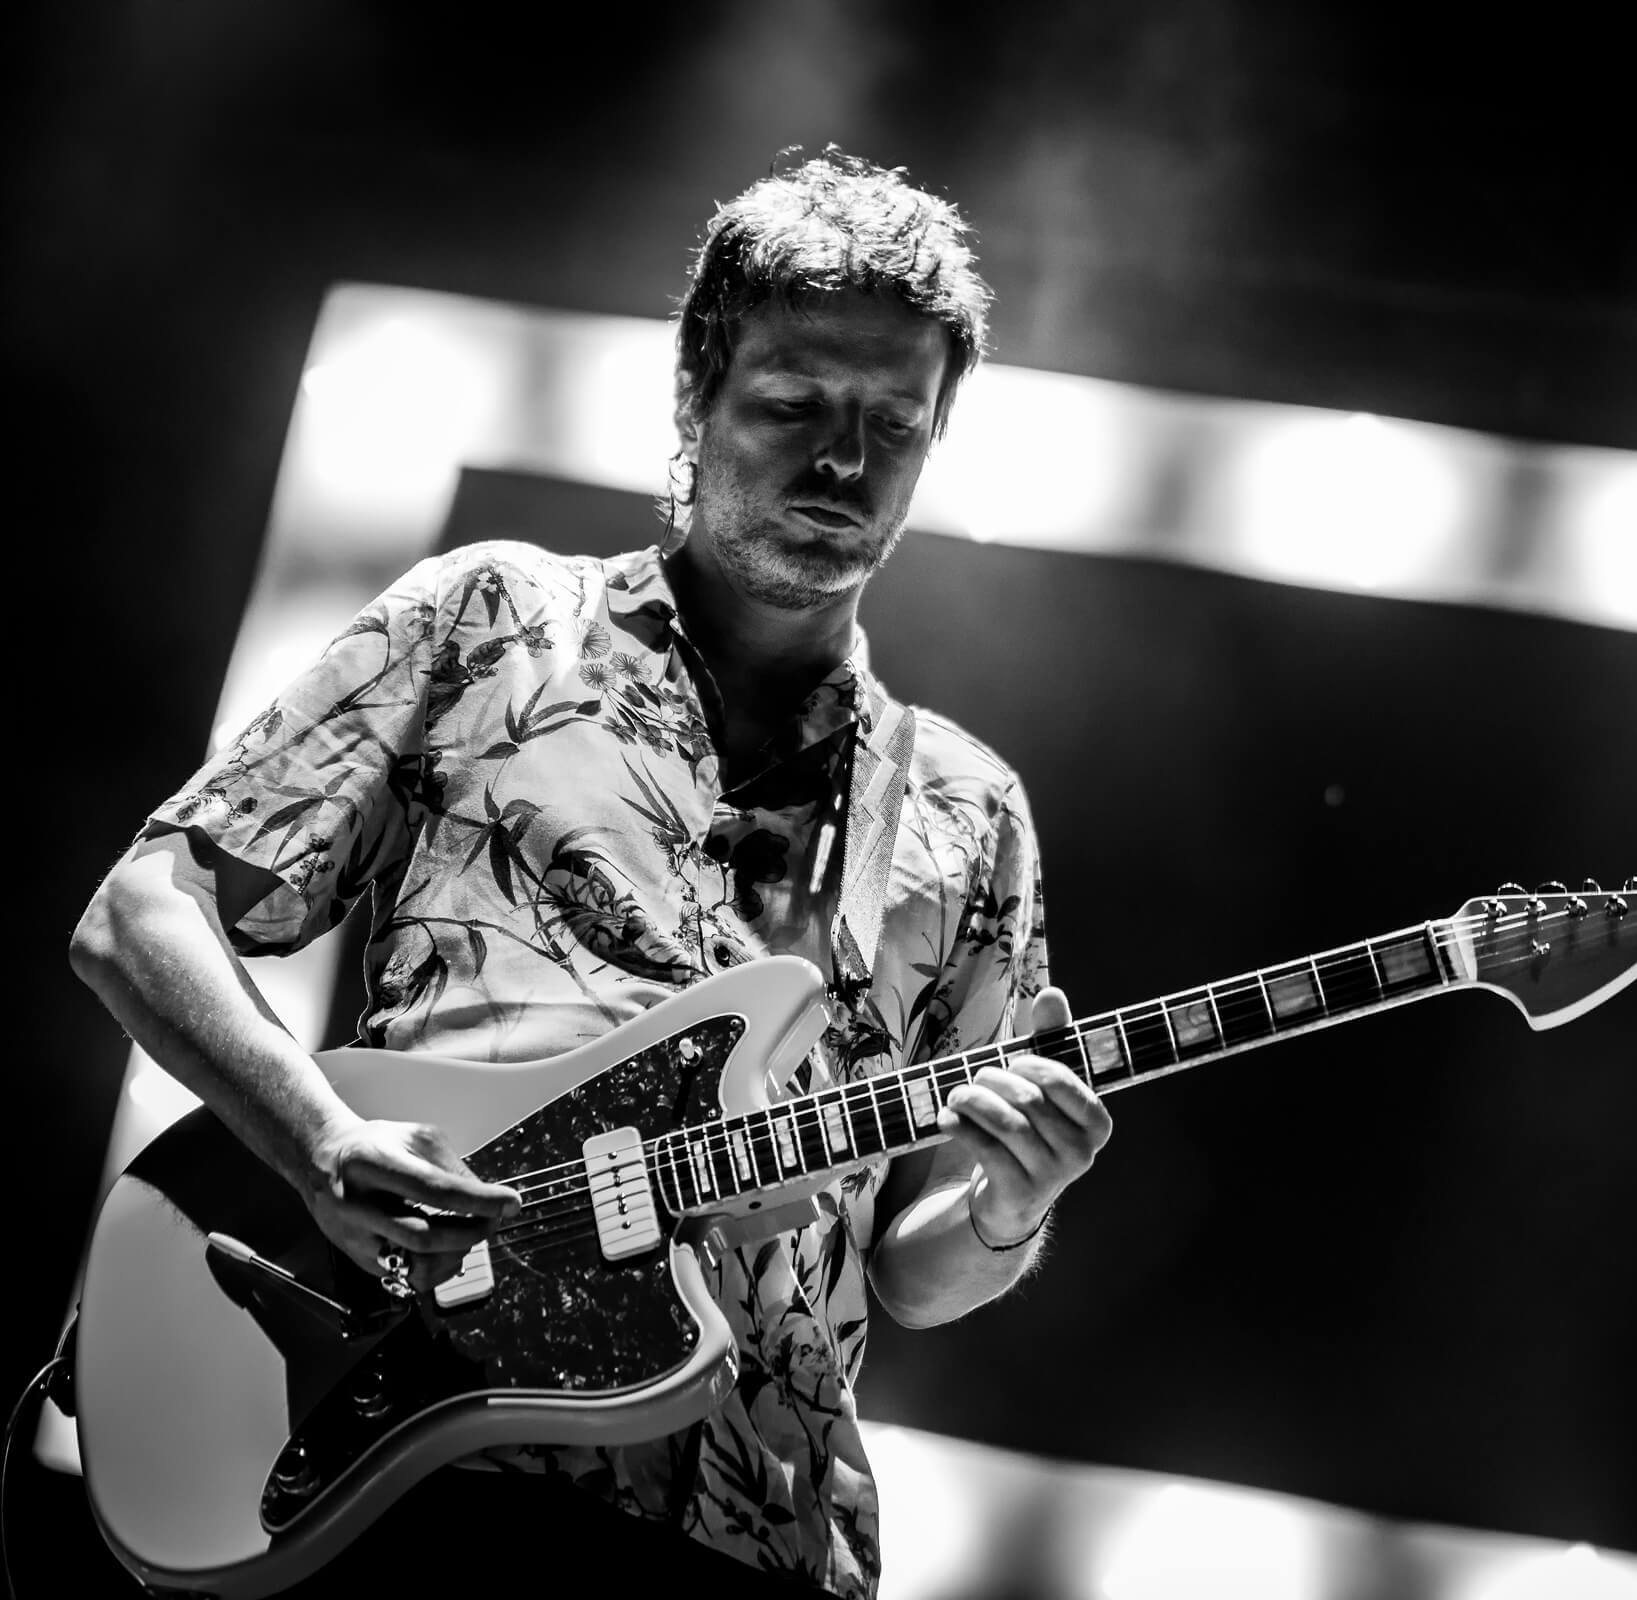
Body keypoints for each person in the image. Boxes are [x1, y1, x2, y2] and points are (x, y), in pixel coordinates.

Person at [68, 148, 1109, 1599]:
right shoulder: (493, 620)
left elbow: (911, 1266)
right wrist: (316, 1137)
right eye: (796, 404)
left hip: (758, 1528)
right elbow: (139, 916)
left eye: (894, 423)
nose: (844, 463)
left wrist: (1007, 1206)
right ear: (694, 393)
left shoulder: (965, 809)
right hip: (412, 1464)